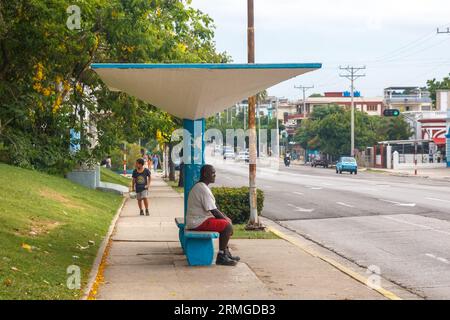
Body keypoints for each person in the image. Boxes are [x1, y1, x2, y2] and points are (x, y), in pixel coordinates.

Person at [186, 165, 239, 266]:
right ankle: (221, 256)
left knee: (225, 222)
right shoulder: (202, 189)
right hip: (197, 222)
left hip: (199, 220)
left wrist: (225, 218)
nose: (215, 175)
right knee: (226, 226)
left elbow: (215, 208)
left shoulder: (202, 186)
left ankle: (226, 253)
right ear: (205, 174)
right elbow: (214, 211)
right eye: (213, 173)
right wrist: (227, 222)